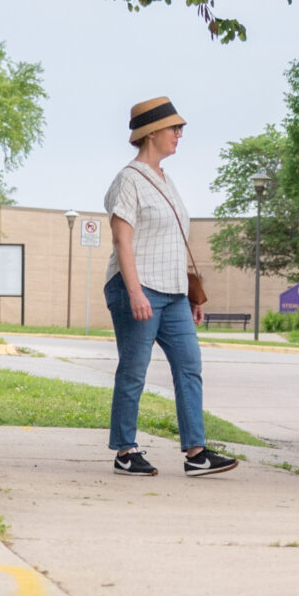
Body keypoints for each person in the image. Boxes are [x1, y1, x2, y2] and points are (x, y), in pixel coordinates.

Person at [104, 96, 238, 479]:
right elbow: (121, 239)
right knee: (134, 370)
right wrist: (134, 292)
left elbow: (174, 241)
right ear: (151, 133)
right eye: (173, 128)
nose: (180, 134)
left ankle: (196, 452)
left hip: (173, 293)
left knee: (190, 366)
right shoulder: (128, 180)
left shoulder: (167, 179)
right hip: (139, 287)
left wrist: (191, 294)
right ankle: (125, 451)